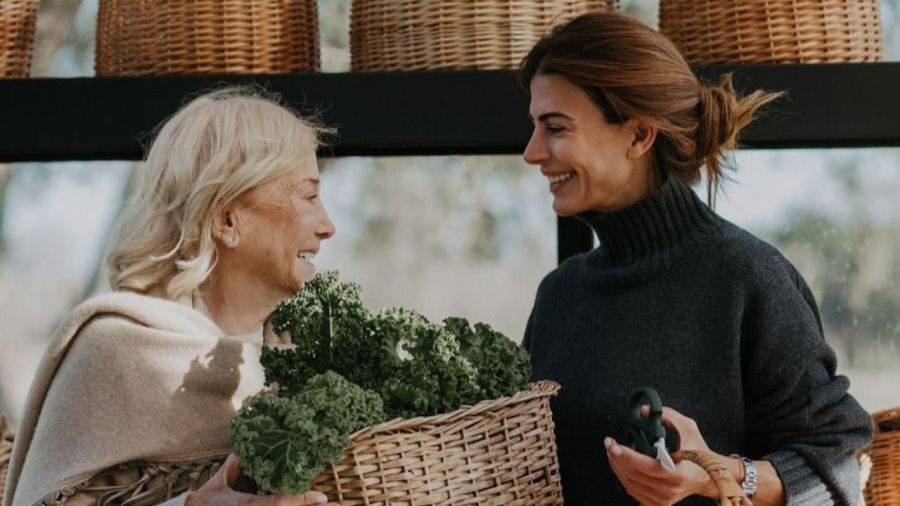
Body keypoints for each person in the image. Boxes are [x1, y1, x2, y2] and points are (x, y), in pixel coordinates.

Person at [519, 11, 874, 506]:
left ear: (639, 136)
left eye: (555, 127)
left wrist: (718, 476)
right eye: (534, 126)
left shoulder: (746, 277)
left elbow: (837, 466)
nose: (532, 152)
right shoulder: (559, 295)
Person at [2, 88, 339, 506]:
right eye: (308, 196)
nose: (327, 226)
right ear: (226, 220)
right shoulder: (115, 352)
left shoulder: (281, 366)